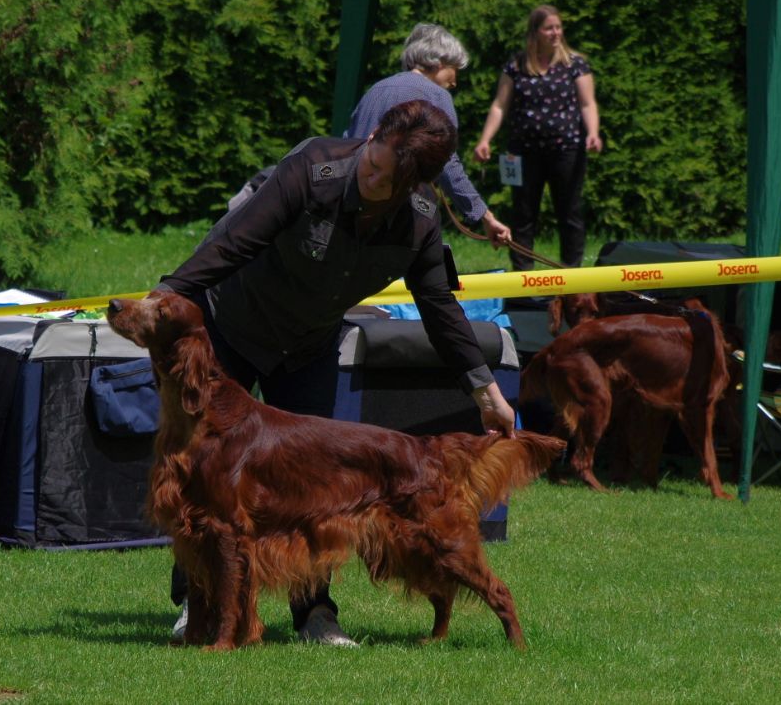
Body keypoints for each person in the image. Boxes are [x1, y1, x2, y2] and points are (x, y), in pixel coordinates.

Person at [157, 99, 517, 647]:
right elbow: (234, 242)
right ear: (372, 135)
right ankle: (200, 606)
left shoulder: (418, 222)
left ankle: (314, 614)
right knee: (207, 481)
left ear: (416, 184)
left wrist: (485, 389)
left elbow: (439, 307)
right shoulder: (311, 168)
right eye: (373, 161)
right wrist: (169, 294)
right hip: (235, 328)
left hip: (307, 346)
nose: (372, 179)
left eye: (388, 180)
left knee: (319, 490)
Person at [344, 23, 512, 248]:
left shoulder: (376, 89)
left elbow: (347, 143)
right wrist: (486, 217)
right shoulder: (436, 96)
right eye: (455, 70)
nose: (455, 81)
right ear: (439, 62)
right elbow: (447, 164)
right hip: (397, 212)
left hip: (352, 205)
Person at [473, 4, 602, 271]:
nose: (555, 33)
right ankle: (523, 277)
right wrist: (485, 140)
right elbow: (499, 105)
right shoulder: (517, 66)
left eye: (558, 27)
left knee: (570, 212)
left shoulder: (575, 65)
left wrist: (592, 133)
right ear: (536, 32)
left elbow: (588, 103)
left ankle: (572, 276)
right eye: (549, 28)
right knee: (523, 214)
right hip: (522, 152)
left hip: (566, 150)